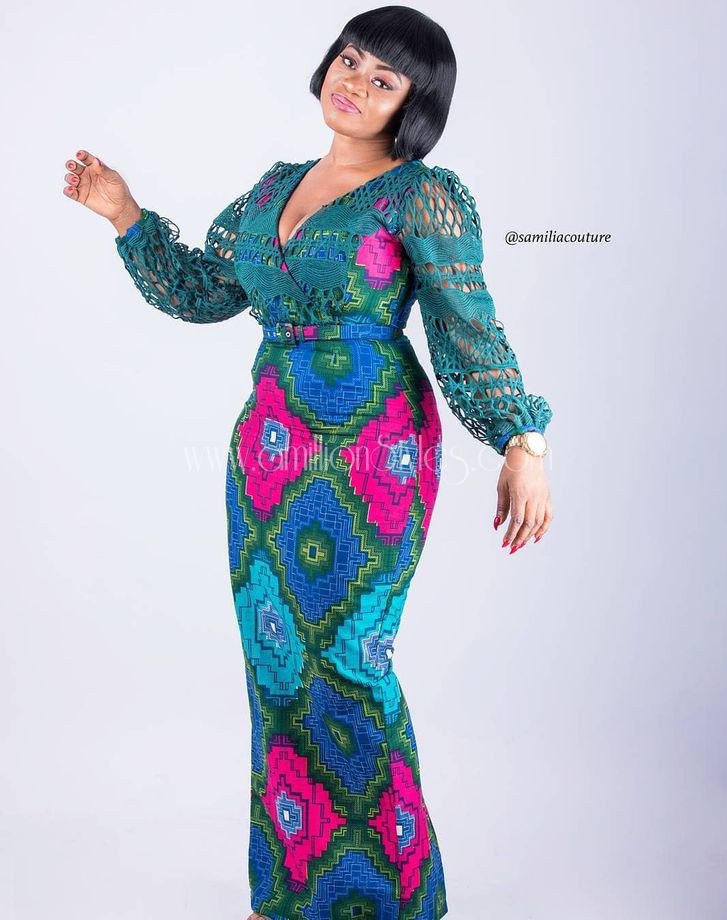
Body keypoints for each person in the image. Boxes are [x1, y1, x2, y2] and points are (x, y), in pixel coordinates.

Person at [63, 5, 553, 917]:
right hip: (269, 451)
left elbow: (468, 326)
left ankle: (394, 898)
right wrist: (125, 214)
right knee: (278, 661)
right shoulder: (272, 189)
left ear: (413, 104)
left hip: (374, 450)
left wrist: (521, 441)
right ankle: (293, 891)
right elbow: (205, 292)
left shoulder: (422, 195)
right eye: (350, 60)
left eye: (383, 79)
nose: (355, 83)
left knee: (351, 660)